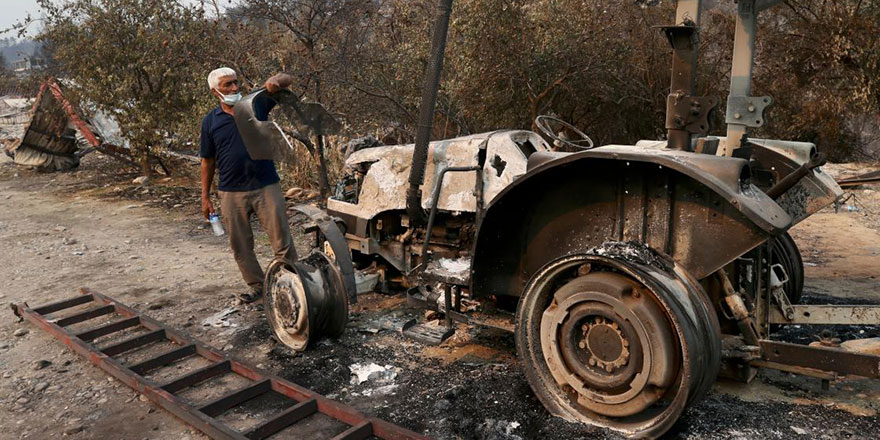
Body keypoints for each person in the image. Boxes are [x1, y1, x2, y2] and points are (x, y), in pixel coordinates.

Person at [200, 67, 297, 304]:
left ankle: (293, 284)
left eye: (235, 83)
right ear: (215, 92)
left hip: (266, 185)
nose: (234, 88)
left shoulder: (256, 104)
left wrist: (275, 80)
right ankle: (258, 287)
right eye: (227, 85)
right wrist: (205, 196)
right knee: (241, 246)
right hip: (231, 191)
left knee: (281, 240)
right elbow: (207, 161)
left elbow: (288, 79)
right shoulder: (210, 122)